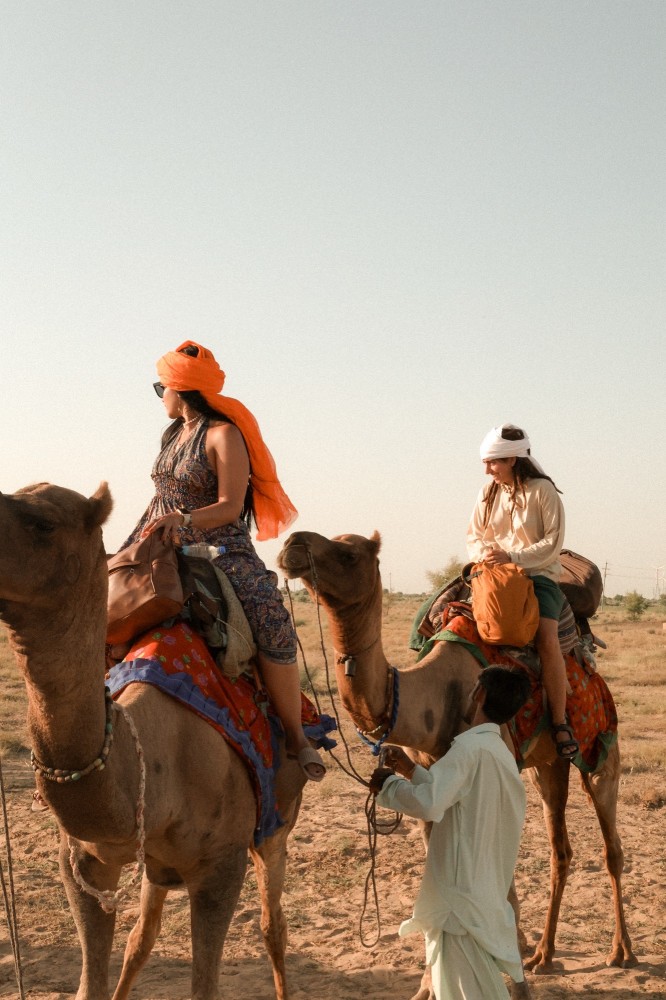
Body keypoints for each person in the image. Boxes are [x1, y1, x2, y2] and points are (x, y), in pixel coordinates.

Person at [121, 339, 325, 781]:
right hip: (158, 536)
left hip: (220, 546)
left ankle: (296, 735)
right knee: (106, 603)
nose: (161, 397)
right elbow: (163, 495)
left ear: (180, 388)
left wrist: (184, 518)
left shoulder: (223, 434)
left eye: (162, 388)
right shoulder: (175, 434)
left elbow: (232, 506)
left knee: (272, 620)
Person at [370, 666, 532, 1000]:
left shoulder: (469, 750)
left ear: (480, 695)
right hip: (481, 893)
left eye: (474, 687)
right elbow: (456, 792)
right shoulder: (499, 753)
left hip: (458, 903)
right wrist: (410, 770)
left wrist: (388, 787)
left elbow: (431, 804)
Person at [466, 423, 578, 760]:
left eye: (494, 463)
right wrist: (487, 557)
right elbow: (474, 534)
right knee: (437, 620)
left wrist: (513, 557)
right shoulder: (488, 493)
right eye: (486, 463)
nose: (488, 470)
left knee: (546, 638)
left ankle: (559, 721)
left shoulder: (543, 491)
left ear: (514, 459)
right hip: (493, 574)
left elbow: (551, 543)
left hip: (537, 574)